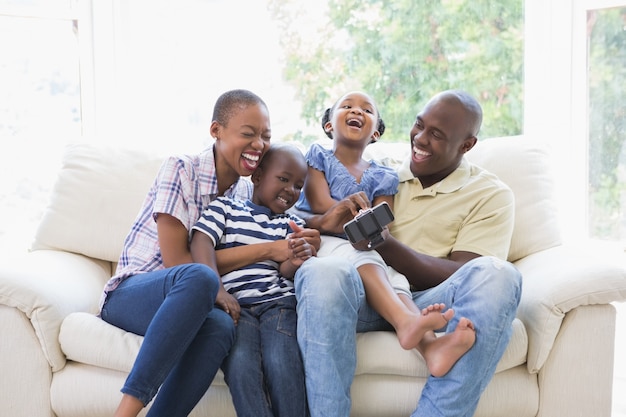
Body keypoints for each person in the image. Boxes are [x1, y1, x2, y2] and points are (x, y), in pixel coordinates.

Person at [293, 89, 523, 417]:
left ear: (467, 145)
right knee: (323, 272)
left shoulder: (490, 194)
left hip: (433, 302)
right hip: (360, 299)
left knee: (500, 275)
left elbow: (465, 271)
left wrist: (384, 243)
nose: (420, 139)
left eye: (437, 135)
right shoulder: (385, 176)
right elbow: (304, 208)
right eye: (419, 125)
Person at [97, 89, 273, 417]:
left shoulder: (247, 192)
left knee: (221, 327)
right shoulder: (182, 169)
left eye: (265, 136)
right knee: (200, 278)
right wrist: (220, 286)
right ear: (216, 131)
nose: (259, 144)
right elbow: (176, 260)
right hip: (134, 294)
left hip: (196, 299)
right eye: (248, 134)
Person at [293, 91, 467, 373]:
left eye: (367, 110)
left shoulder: (383, 175)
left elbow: (381, 223)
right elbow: (322, 206)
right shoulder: (318, 157)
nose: (357, 111)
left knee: (395, 278)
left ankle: (430, 345)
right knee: (368, 262)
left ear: (375, 132)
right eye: (347, 106)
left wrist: (369, 227)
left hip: (362, 246)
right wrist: (352, 216)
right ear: (328, 126)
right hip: (324, 240)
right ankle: (408, 323)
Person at [190, 143, 317, 417]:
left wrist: (296, 260)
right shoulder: (225, 208)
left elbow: (285, 270)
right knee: (242, 367)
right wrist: (218, 291)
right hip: (236, 308)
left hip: (279, 305)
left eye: (298, 185)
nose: (290, 190)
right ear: (257, 176)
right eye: (283, 179)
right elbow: (201, 243)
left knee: (281, 363)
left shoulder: (291, 224)